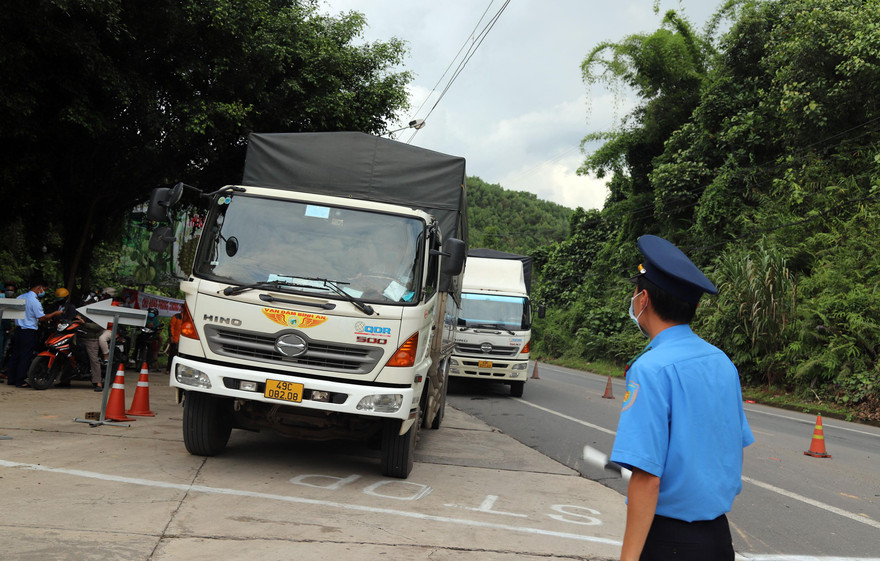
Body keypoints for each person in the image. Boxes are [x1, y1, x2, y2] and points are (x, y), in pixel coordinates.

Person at [611, 235, 755, 561]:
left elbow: (647, 479)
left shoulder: (649, 369)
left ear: (643, 299)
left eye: (635, 292)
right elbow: (732, 447)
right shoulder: (722, 362)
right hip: (718, 538)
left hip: (669, 541)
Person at [6, 279, 62, 388]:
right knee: (25, 356)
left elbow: (13, 314)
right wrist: (55, 313)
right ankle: (20, 381)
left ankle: (11, 379)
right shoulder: (34, 301)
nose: (43, 292)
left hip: (18, 330)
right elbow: (41, 318)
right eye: (43, 290)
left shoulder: (20, 297)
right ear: (39, 288)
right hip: (28, 331)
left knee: (15, 354)